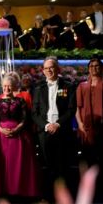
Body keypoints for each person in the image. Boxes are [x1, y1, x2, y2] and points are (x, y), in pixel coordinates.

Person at [0, 72, 40, 199]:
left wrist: (16, 129)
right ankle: (0, 191)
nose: (6, 89)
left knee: (18, 164)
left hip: (19, 135)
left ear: (13, 86)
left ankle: (19, 191)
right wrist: (2, 130)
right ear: (2, 87)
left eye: (9, 86)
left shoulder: (20, 101)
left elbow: (25, 119)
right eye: (4, 86)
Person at [32, 56, 76, 195]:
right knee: (47, 165)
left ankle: (64, 196)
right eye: (46, 68)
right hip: (44, 132)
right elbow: (34, 112)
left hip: (62, 130)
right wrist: (46, 126)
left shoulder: (68, 86)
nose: (49, 70)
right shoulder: (38, 88)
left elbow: (71, 109)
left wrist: (57, 124)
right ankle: (48, 195)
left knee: (63, 165)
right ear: (43, 71)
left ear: (58, 69)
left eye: (52, 67)